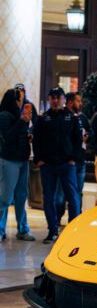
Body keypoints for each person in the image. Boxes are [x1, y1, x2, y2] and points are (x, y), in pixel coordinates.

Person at [33, 87, 82, 243]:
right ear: (49, 100)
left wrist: (74, 158)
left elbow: (78, 140)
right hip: (48, 166)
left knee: (73, 198)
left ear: (63, 100)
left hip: (67, 165)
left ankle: (73, 232)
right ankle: (53, 231)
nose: (55, 100)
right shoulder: (43, 119)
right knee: (49, 199)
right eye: (52, 97)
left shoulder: (72, 118)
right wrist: (38, 159)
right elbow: (36, 140)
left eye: (58, 97)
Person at [0, 89, 35, 241]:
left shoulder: (21, 116)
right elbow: (7, 136)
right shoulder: (4, 116)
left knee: (22, 196)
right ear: (13, 100)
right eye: (21, 99)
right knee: (5, 197)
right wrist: (22, 122)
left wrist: (27, 135)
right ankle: (1, 230)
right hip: (9, 160)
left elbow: (18, 135)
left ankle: (23, 229)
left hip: (22, 159)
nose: (23, 101)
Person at [56, 92, 90, 220]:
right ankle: (56, 220)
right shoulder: (61, 116)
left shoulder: (83, 118)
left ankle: (75, 221)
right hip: (66, 162)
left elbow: (89, 133)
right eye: (78, 101)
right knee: (60, 196)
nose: (80, 103)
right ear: (70, 102)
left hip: (80, 161)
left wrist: (87, 138)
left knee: (78, 194)